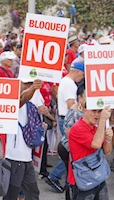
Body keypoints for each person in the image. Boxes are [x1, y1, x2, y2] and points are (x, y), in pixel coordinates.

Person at [45, 62, 85, 193]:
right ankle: (55, 176)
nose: (82, 78)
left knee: (69, 150)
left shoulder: (65, 81)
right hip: (68, 119)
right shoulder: (69, 84)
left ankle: (62, 177)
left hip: (64, 118)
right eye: (82, 75)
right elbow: (70, 104)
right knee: (71, 151)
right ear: (77, 72)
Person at [3, 78, 44, 200]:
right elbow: (22, 100)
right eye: (26, 83)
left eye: (31, 84)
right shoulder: (13, 102)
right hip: (14, 158)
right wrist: (32, 88)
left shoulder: (30, 105)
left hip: (26, 158)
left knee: (32, 193)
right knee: (11, 195)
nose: (28, 86)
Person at [69, 105, 113, 199]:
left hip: (98, 176)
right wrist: (102, 121)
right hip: (83, 179)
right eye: (93, 111)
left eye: (99, 111)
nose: (97, 115)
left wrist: (109, 139)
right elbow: (96, 144)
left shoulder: (96, 128)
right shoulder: (78, 128)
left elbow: (107, 151)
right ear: (84, 110)